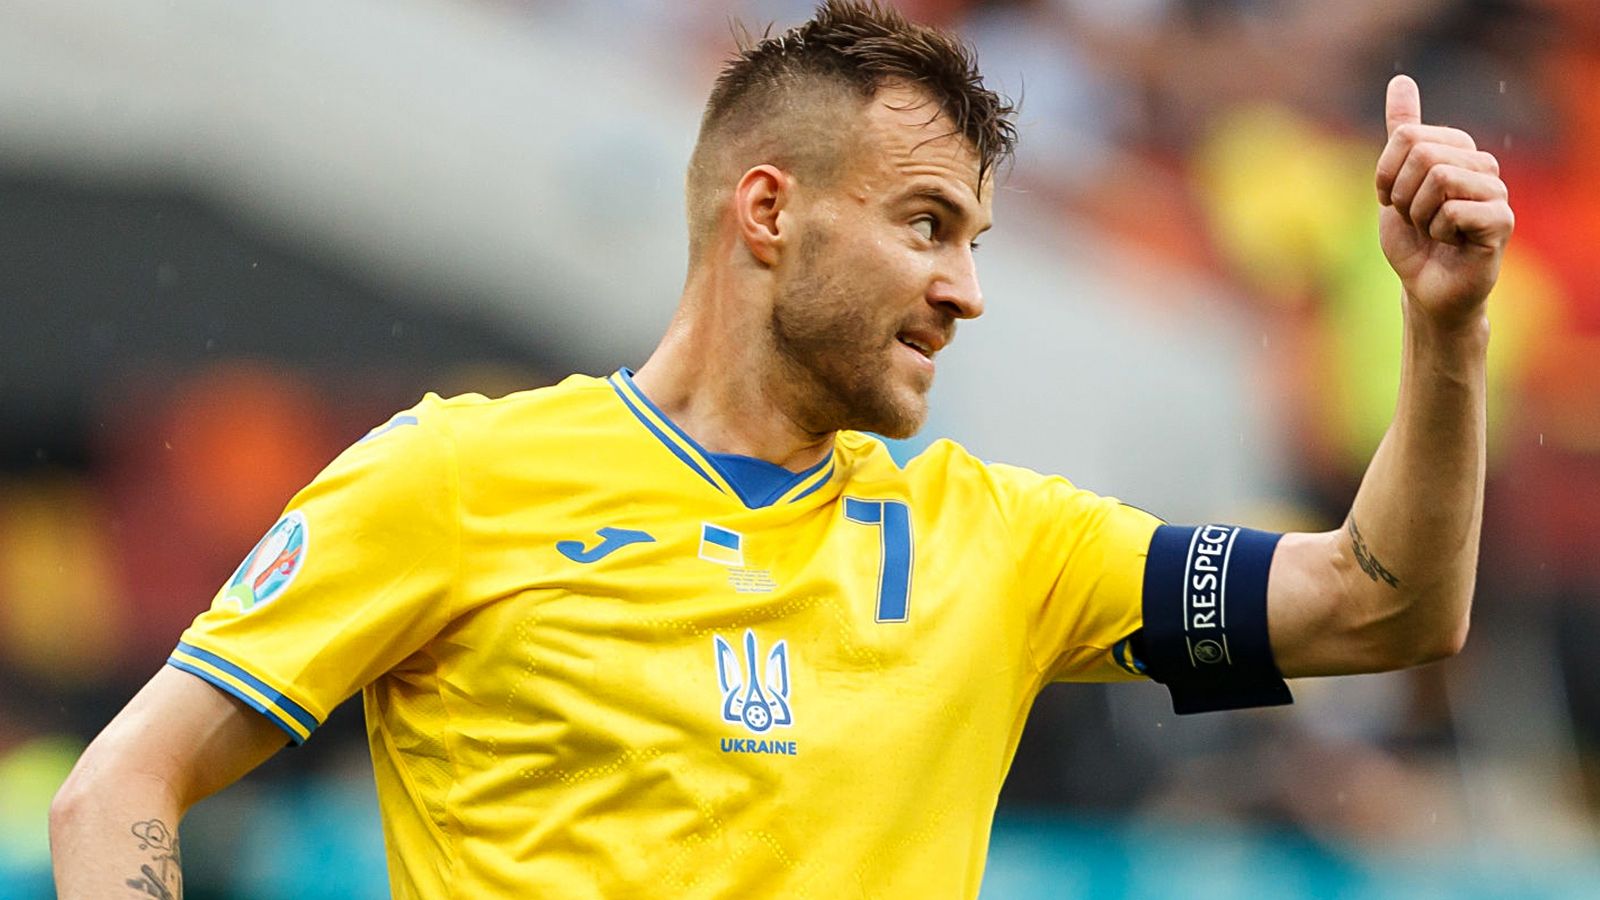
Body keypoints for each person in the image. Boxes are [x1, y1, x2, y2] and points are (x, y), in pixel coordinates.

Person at [49, 1, 1514, 896]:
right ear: (769, 212)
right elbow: (117, 793)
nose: (967, 289)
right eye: (927, 225)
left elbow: (1378, 607)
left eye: (976, 241)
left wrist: (1445, 333)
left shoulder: (1002, 542)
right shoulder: (453, 479)